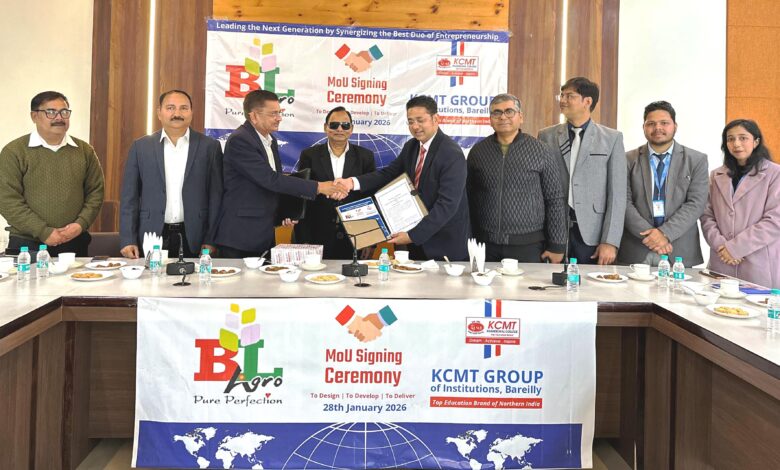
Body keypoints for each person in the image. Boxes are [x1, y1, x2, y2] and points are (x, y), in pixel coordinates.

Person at [335, 95, 470, 261]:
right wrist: (351, 182)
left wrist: (413, 236)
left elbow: (447, 205)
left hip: (443, 245)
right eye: (410, 121)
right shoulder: (411, 147)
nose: (415, 126)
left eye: (420, 120)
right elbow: (388, 174)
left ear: (436, 119)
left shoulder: (451, 153)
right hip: (415, 242)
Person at [214, 90, 345, 258]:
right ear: (254, 116)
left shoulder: (271, 140)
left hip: (263, 233)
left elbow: (271, 186)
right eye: (273, 114)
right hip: (240, 236)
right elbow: (270, 179)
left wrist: (285, 213)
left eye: (279, 112)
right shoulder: (241, 140)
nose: (279, 118)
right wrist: (319, 187)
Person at [119, 90, 223, 259]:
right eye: (170, 108)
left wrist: (211, 239)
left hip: (195, 236)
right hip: (152, 235)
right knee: (152, 277)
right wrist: (127, 239)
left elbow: (216, 197)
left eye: (184, 108)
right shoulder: (141, 147)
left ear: (191, 112)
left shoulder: (210, 147)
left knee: (195, 277)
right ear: (159, 112)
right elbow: (129, 197)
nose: (177, 113)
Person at [0, 91, 104, 257]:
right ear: (34, 116)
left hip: (74, 240)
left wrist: (80, 224)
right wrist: (43, 231)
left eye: (64, 112)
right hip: (27, 244)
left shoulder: (85, 151)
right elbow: (7, 200)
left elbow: (95, 193)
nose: (59, 118)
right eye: (51, 112)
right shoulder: (14, 152)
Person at [466, 94, 566, 263]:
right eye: (496, 112)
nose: (503, 117)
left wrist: (557, 245)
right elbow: (469, 198)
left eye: (509, 111)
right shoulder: (478, 152)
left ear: (520, 117)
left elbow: (554, 198)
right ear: (490, 119)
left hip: (528, 245)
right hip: (485, 244)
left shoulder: (540, 150)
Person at [538, 77, 626, 265]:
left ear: (587, 101)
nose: (563, 100)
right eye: (561, 95)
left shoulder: (612, 138)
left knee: (589, 283)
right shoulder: (546, 136)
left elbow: (617, 195)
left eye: (569, 96)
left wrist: (610, 241)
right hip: (554, 230)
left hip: (593, 234)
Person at [618, 101, 708, 267]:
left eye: (664, 123)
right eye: (651, 124)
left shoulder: (696, 160)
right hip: (636, 247)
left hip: (678, 248)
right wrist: (652, 237)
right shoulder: (627, 159)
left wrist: (665, 234)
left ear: (675, 126)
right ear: (644, 127)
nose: (657, 128)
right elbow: (623, 202)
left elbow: (696, 203)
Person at [700, 119, 780, 288]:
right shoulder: (716, 175)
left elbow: (775, 220)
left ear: (756, 141)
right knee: (720, 302)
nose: (736, 144)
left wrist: (736, 248)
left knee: (757, 303)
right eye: (730, 139)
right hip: (722, 260)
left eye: (743, 138)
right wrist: (721, 246)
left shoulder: (775, 174)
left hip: (758, 261)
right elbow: (707, 215)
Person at [294, 107, 376, 259]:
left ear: (351, 129)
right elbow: (302, 195)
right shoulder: (309, 155)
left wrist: (370, 240)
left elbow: (370, 197)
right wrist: (302, 238)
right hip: (316, 233)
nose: (339, 129)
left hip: (354, 236)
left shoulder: (365, 156)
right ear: (325, 127)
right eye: (334, 125)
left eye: (345, 125)